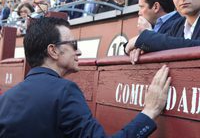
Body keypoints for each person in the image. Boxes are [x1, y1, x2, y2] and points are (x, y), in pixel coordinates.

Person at [0, 17, 171, 138]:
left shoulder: (5, 100)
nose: (79, 51)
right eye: (73, 45)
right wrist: (149, 112)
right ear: (53, 51)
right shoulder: (64, 91)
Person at [125, 0, 200, 63]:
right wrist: (139, 48)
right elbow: (162, 42)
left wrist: (144, 39)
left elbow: (195, 46)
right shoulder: (177, 25)